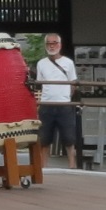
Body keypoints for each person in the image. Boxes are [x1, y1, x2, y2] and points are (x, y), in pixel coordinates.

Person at [36, 33, 78, 169]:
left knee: (69, 138)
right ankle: (43, 167)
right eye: (49, 43)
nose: (52, 45)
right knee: (44, 138)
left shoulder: (68, 63)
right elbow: (40, 83)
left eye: (54, 42)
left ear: (60, 45)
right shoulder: (41, 63)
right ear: (45, 45)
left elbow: (73, 83)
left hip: (64, 104)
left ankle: (72, 165)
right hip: (46, 104)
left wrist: (66, 95)